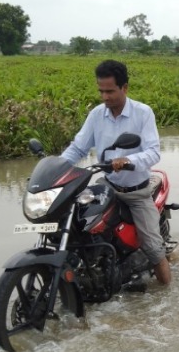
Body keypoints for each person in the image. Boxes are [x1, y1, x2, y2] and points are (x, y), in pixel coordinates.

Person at [61, 60, 172, 285]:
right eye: (101, 91)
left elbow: (153, 153)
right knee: (77, 223)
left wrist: (127, 160)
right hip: (107, 186)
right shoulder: (96, 115)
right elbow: (78, 148)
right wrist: (57, 169)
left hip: (136, 193)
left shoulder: (143, 113)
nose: (104, 97)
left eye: (110, 91)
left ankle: (166, 295)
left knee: (153, 249)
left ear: (124, 88)